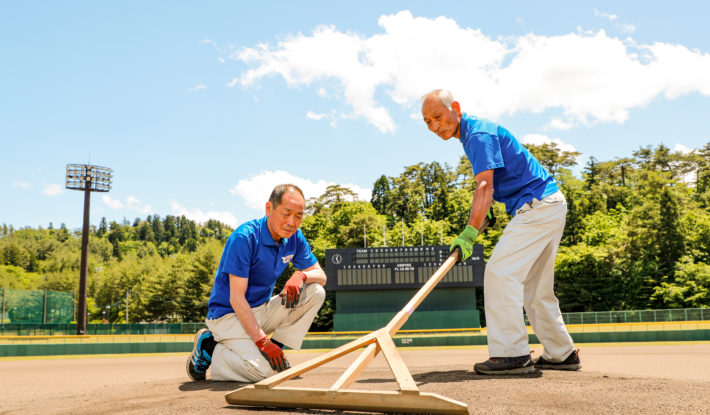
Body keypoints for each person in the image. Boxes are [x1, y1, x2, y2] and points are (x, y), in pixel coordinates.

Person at [421, 89, 580, 375]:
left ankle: (511, 354)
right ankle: (562, 354)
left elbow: (485, 186)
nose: (435, 126)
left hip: (538, 205)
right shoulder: (473, 134)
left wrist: (470, 232)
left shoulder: (478, 135)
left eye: (438, 116)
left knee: (498, 273)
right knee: (536, 289)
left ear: (455, 107)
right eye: (428, 122)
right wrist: (486, 213)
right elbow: (494, 184)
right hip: (549, 203)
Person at [186, 184, 327, 382]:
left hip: (261, 310)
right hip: (228, 317)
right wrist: (262, 342)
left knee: (316, 291)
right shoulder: (244, 238)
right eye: (286, 214)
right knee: (267, 374)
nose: (292, 222)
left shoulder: (295, 237)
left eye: (298, 216)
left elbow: (321, 275)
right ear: (269, 209)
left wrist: (300, 276)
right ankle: (212, 349)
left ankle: (276, 351)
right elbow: (236, 298)